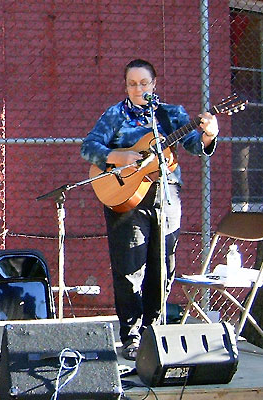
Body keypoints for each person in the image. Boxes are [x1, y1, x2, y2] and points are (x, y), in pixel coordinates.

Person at [80, 59, 219, 361]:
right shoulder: (115, 115)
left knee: (163, 266)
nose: (138, 88)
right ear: (126, 86)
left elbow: (196, 145)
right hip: (126, 197)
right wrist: (120, 155)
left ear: (154, 84)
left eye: (144, 83)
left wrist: (209, 134)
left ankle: (153, 331)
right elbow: (88, 147)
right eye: (132, 84)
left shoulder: (171, 115)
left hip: (166, 194)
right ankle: (130, 335)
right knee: (130, 267)